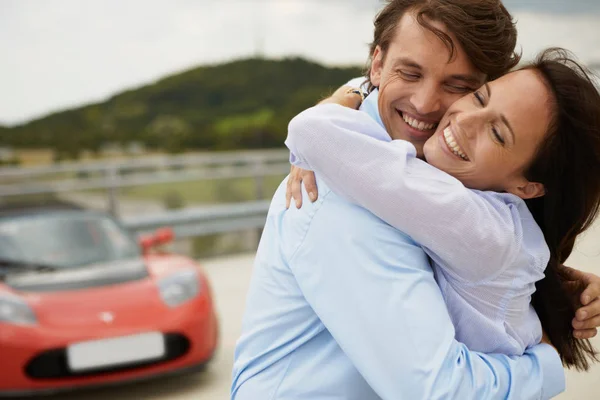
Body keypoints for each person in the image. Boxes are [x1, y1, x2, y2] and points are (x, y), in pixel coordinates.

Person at [232, 2, 568, 399]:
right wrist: (545, 362)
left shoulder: (437, 178)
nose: (425, 104)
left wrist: (553, 286)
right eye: (410, 73)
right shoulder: (342, 196)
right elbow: (438, 390)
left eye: (458, 85)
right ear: (377, 65)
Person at [285, 47, 600, 370]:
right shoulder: (505, 225)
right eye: (479, 98)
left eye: (496, 133)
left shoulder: (469, 218)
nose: (466, 121)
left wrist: (346, 97)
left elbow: (310, 132)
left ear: (528, 187)